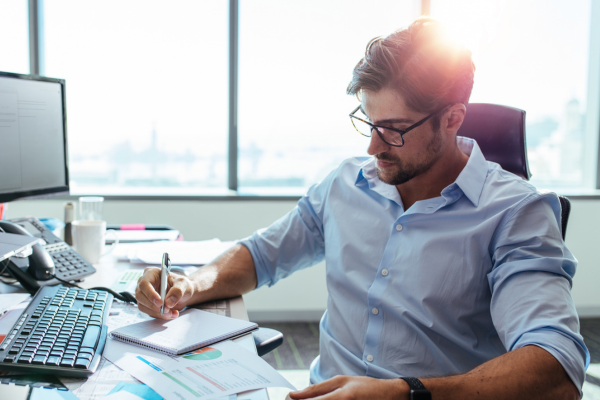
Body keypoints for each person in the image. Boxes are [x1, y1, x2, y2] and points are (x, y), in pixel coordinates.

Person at [136, 17, 589, 400]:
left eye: (392, 129)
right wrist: (190, 284)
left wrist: (405, 391)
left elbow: (558, 366)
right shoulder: (346, 182)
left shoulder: (515, 214)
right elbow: (261, 254)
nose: (373, 146)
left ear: (452, 119)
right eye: (368, 122)